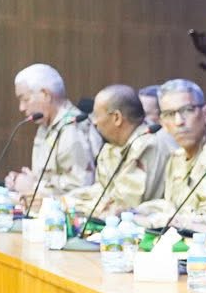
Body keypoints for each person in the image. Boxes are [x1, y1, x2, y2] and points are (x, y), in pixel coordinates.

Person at [130, 78, 206, 233]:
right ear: (163, 123)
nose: (179, 121)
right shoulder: (177, 157)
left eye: (187, 110)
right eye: (169, 114)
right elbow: (172, 205)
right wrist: (133, 211)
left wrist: (157, 220)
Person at [63, 85, 168, 219]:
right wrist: (67, 200)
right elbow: (102, 190)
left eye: (97, 115)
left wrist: (75, 206)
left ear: (117, 117)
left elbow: (123, 206)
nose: (94, 122)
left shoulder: (148, 144)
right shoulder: (112, 145)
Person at [4, 63, 101, 203]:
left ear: (45, 95)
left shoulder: (72, 127)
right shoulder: (46, 125)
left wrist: (34, 186)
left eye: (25, 99)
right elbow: (49, 177)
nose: (21, 107)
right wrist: (22, 181)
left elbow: (81, 185)